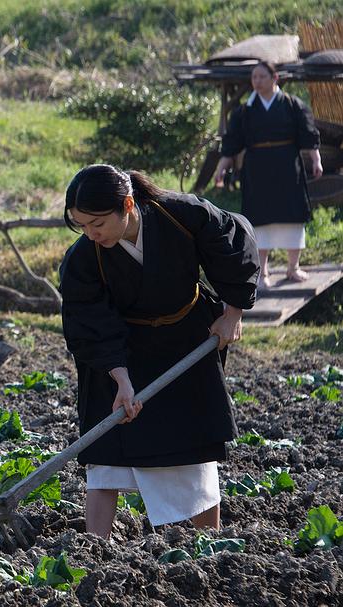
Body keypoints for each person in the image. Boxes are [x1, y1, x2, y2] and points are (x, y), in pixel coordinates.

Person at [59, 164, 259, 538]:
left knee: (193, 451)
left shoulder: (181, 214)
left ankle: (208, 548)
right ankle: (94, 548)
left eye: (97, 223)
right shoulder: (85, 257)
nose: (90, 234)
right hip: (121, 350)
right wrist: (121, 379)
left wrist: (233, 312)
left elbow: (235, 240)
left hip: (186, 340)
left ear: (127, 204)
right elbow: (87, 321)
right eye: (81, 226)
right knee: (106, 457)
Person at [214, 61, 322, 289]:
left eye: (262, 76)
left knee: (293, 216)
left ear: (275, 78)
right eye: (254, 77)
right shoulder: (244, 111)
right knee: (259, 219)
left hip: (288, 167)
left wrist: (316, 160)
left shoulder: (292, 105)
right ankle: (262, 272)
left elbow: (308, 134)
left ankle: (293, 268)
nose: (257, 81)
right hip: (257, 170)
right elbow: (232, 143)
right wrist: (221, 168)